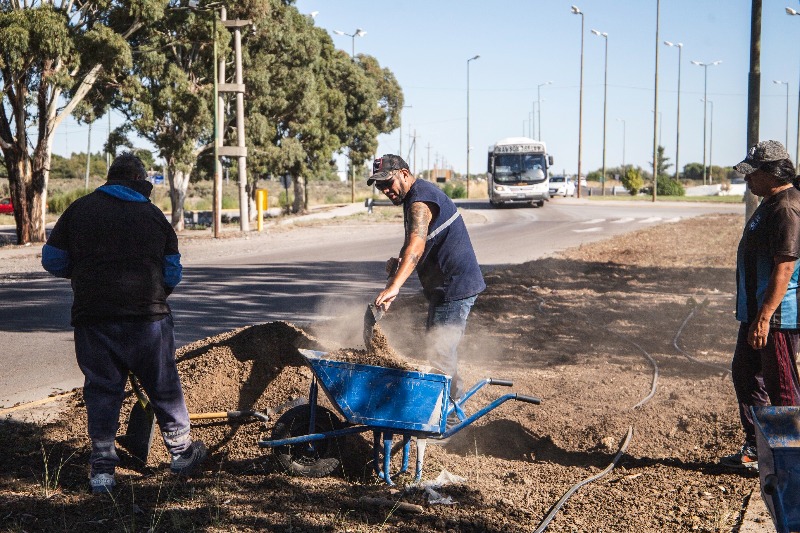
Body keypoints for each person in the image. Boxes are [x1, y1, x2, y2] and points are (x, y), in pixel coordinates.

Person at [42, 152, 206, 493]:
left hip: (94, 319)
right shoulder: (153, 216)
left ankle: (102, 473)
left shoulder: (79, 209)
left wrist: (85, 273)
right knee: (163, 385)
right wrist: (156, 290)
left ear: (111, 178)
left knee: (103, 390)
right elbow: (172, 271)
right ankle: (181, 454)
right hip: (148, 319)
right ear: (138, 180)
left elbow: (53, 260)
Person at [368, 154, 486, 410]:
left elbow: (416, 247)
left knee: (441, 354)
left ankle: (449, 417)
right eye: (380, 186)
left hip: (455, 287)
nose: (385, 190)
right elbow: (411, 245)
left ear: (404, 174)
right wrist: (395, 272)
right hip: (443, 288)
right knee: (438, 351)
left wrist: (395, 287)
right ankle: (449, 410)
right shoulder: (414, 197)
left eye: (388, 183)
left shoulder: (420, 200)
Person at [721, 140, 800, 470]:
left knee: (782, 389)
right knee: (746, 375)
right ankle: (759, 446)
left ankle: (789, 462)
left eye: (752, 173)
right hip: (756, 314)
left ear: (773, 173)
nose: (747, 178)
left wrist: (765, 317)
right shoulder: (770, 202)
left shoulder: (786, 208)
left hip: (777, 317)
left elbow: (785, 266)